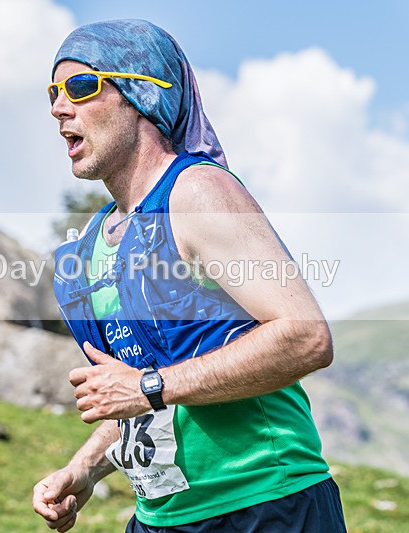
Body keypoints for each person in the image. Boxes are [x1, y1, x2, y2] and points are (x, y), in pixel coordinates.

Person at [32, 19, 347, 533]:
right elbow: (142, 391)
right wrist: (83, 469)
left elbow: (306, 337)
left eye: (81, 86)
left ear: (141, 94)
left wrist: (148, 387)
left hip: (265, 505)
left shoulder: (197, 193)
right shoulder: (92, 242)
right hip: (159, 518)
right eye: (53, 92)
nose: (58, 107)